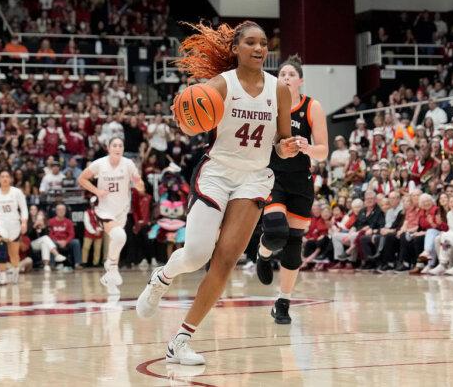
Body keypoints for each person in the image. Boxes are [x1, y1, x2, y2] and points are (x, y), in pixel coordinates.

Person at [135, 21, 299, 365]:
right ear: (235, 49)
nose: (258, 48)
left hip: (254, 177)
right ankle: (162, 277)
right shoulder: (219, 85)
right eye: (250, 42)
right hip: (217, 174)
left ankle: (180, 339)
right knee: (195, 256)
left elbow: (281, 145)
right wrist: (186, 115)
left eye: (264, 43)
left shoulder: (279, 90)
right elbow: (191, 119)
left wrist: (290, 147)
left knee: (225, 261)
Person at [254, 55, 328, 324]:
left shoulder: (312, 107)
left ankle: (282, 302)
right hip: (273, 176)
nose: (285, 78)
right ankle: (262, 254)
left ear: (300, 80)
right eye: (281, 74)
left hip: (300, 180)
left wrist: (307, 148)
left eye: (290, 74)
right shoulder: (270, 105)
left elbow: (323, 150)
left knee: (293, 246)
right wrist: (279, 148)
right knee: (275, 232)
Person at [78, 137, 145, 294]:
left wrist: (138, 182)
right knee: (120, 236)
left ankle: (110, 268)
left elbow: (140, 187)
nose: (117, 147)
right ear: (108, 148)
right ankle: (112, 267)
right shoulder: (100, 164)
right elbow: (81, 178)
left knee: (118, 239)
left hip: (121, 211)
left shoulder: (128, 164)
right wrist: (97, 191)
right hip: (104, 210)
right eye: (114, 145)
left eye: (120, 145)